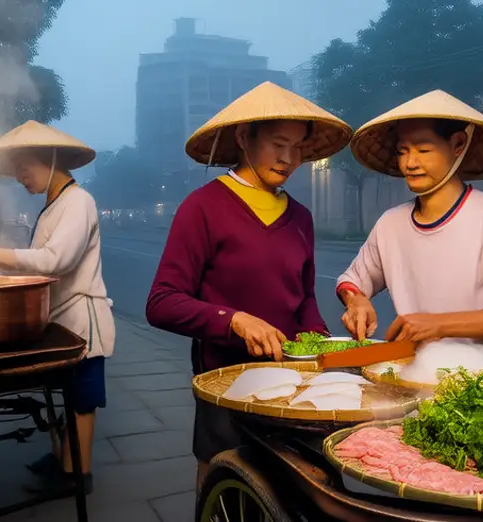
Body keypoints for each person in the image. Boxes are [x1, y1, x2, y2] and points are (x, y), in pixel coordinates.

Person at [145, 81, 353, 492]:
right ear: (244, 138)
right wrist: (233, 320)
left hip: (291, 384)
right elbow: (162, 302)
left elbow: (304, 297)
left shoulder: (301, 217)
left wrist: (323, 348)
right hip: (226, 382)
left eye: (297, 147)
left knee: (294, 490)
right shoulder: (203, 207)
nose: (289, 158)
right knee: (225, 484)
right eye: (278, 143)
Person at [0, 121, 115, 495]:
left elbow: (54, 261)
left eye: (24, 167)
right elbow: (34, 263)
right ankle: (64, 463)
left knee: (83, 401)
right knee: (67, 397)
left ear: (49, 159)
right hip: (59, 319)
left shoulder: (79, 201)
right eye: (16, 170)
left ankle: (78, 476)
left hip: (83, 320)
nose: (19, 177)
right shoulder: (53, 207)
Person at [335, 90, 483, 361]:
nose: (410, 163)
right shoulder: (390, 223)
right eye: (403, 151)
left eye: (423, 150)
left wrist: (438, 325)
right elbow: (351, 280)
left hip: (478, 382)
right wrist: (355, 300)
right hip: (408, 375)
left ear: (458, 144)